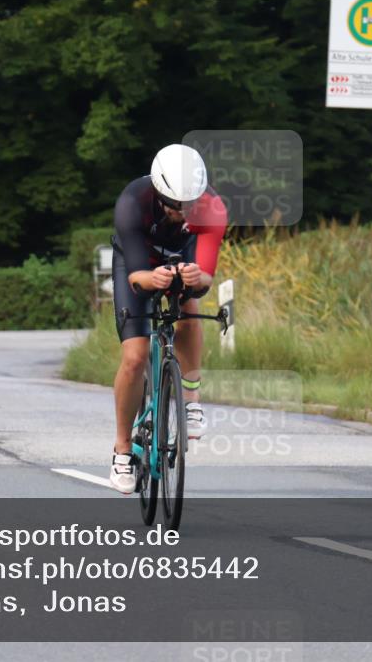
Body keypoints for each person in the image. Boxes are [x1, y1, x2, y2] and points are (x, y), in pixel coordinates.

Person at [109, 144, 227, 494]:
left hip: (183, 258)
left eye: (192, 204)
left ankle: (191, 401)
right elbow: (136, 278)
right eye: (178, 206)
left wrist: (195, 278)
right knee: (134, 357)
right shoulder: (132, 203)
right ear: (159, 195)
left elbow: (206, 280)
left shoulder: (213, 209)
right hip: (138, 264)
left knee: (189, 313)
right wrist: (153, 278)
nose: (186, 214)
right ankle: (122, 451)